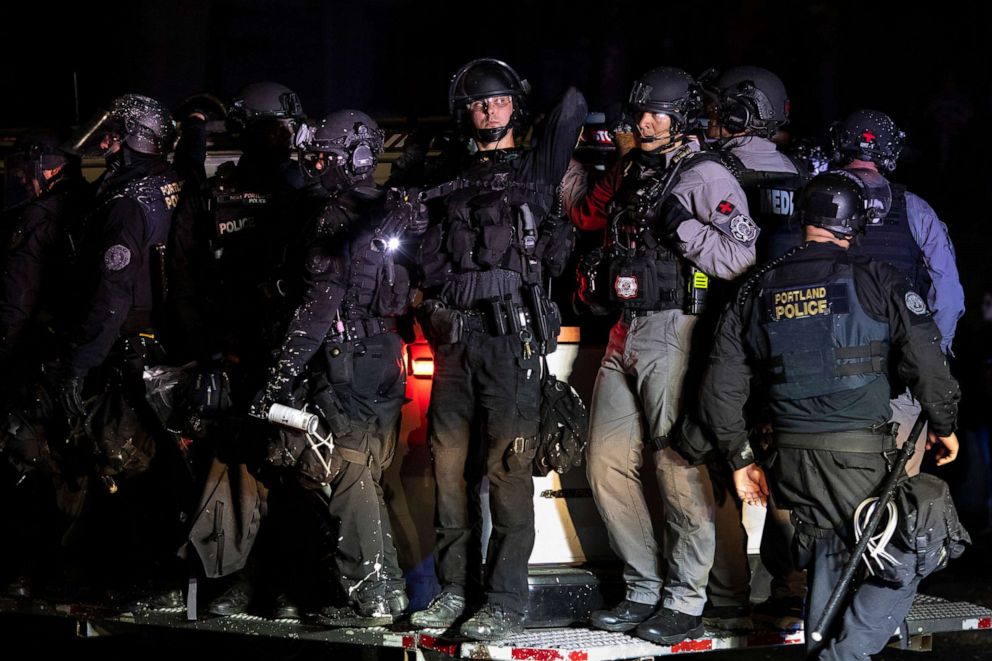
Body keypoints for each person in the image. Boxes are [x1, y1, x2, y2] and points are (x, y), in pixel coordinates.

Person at [698, 171, 961, 658]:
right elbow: (928, 363)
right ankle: (845, 655)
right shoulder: (878, 277)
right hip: (858, 455)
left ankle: (824, 650)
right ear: (857, 224)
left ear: (804, 222)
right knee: (913, 545)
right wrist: (944, 426)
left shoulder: (757, 287)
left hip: (789, 460)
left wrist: (740, 461)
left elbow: (719, 389)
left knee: (829, 556)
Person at [569, 66, 757, 644]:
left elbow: (741, 256)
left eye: (656, 113)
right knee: (603, 464)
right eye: (640, 111)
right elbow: (589, 217)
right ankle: (643, 588)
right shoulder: (633, 168)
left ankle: (685, 597)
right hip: (624, 329)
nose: (644, 122)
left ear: (683, 118)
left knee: (676, 466)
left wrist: (682, 229)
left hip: (676, 327)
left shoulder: (704, 174)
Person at [408, 58, 586, 641]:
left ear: (517, 106)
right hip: (456, 341)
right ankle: (455, 590)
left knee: (509, 468)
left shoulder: (534, 170)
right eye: (479, 102)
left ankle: (505, 599)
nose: (489, 110)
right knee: (448, 467)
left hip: (511, 343)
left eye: (500, 100)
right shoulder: (450, 178)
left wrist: (527, 88)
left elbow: (575, 106)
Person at [250, 109, 425, 624]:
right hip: (384, 355)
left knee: (345, 469)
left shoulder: (334, 218)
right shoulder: (388, 209)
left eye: (325, 157)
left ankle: (371, 594)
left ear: (357, 158)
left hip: (347, 359)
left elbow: (318, 308)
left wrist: (276, 381)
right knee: (361, 472)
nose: (317, 167)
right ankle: (380, 588)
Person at [57, 93, 185, 602]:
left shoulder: (127, 200)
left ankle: (132, 580)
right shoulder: (172, 183)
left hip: (129, 350)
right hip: (165, 344)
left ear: (134, 137)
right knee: (158, 468)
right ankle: (153, 577)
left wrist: (78, 363)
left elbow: (112, 293)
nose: (105, 141)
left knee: (122, 464)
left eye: (114, 132)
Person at [700, 64, 809, 628]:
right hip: (788, 341)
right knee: (785, 467)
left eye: (720, 108)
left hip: (727, 335)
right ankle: (792, 588)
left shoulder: (715, 170)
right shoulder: (802, 175)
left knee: (719, 462)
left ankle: (727, 594)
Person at [831, 109, 965, 477]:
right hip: (895, 379)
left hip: (820, 380)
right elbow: (948, 298)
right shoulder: (916, 210)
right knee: (893, 501)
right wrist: (929, 363)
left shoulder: (811, 199)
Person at [701, 65, 809, 261]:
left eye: (716, 107)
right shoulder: (801, 171)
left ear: (738, 114)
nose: (709, 112)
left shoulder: (712, 170)